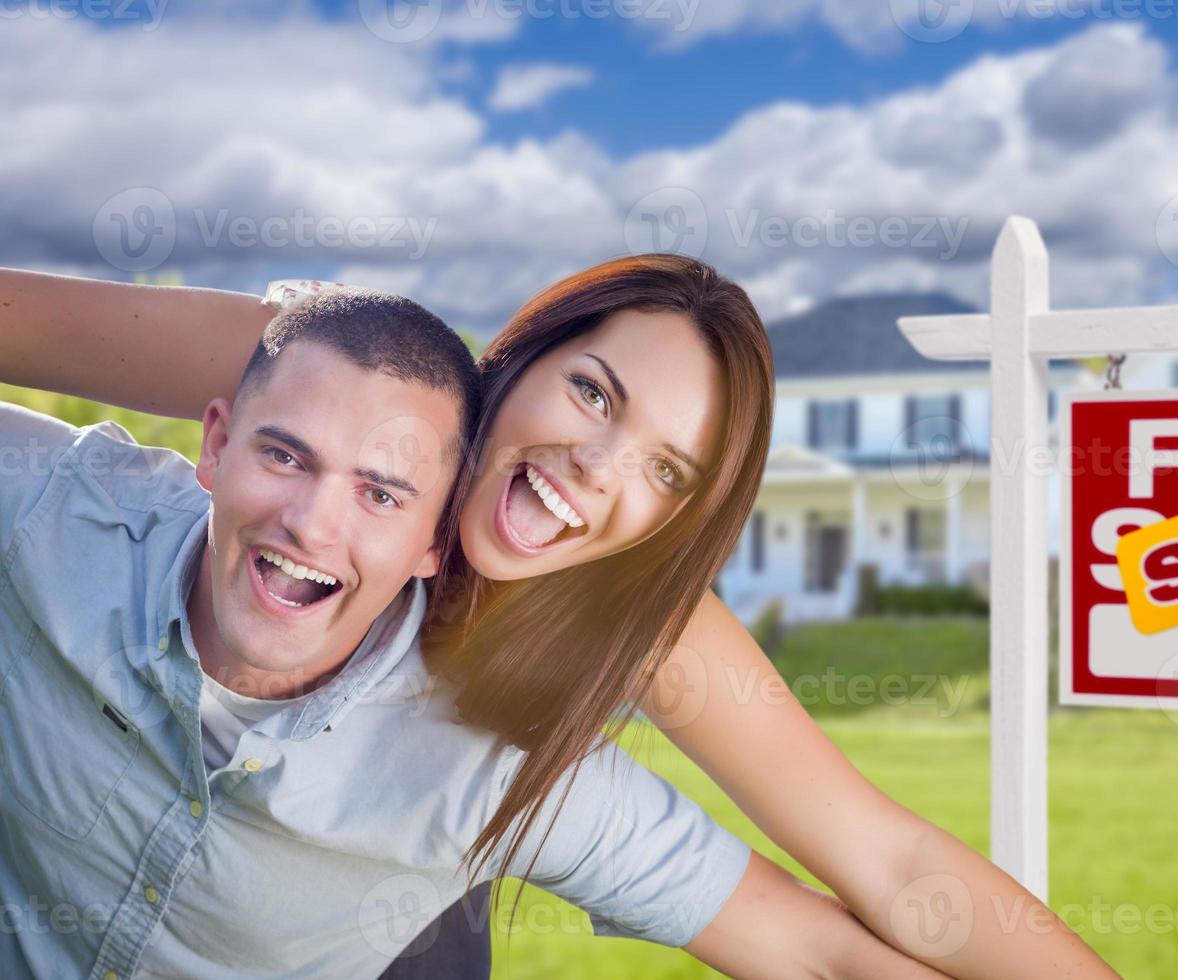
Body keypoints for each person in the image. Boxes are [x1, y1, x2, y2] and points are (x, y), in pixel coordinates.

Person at [0, 258, 1120, 979]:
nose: (595, 467)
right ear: (517, 356)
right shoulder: (330, 371)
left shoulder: (637, 625)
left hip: (408, 863)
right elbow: (19, 319)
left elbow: (879, 858)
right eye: (593, 391)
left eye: (665, 469)